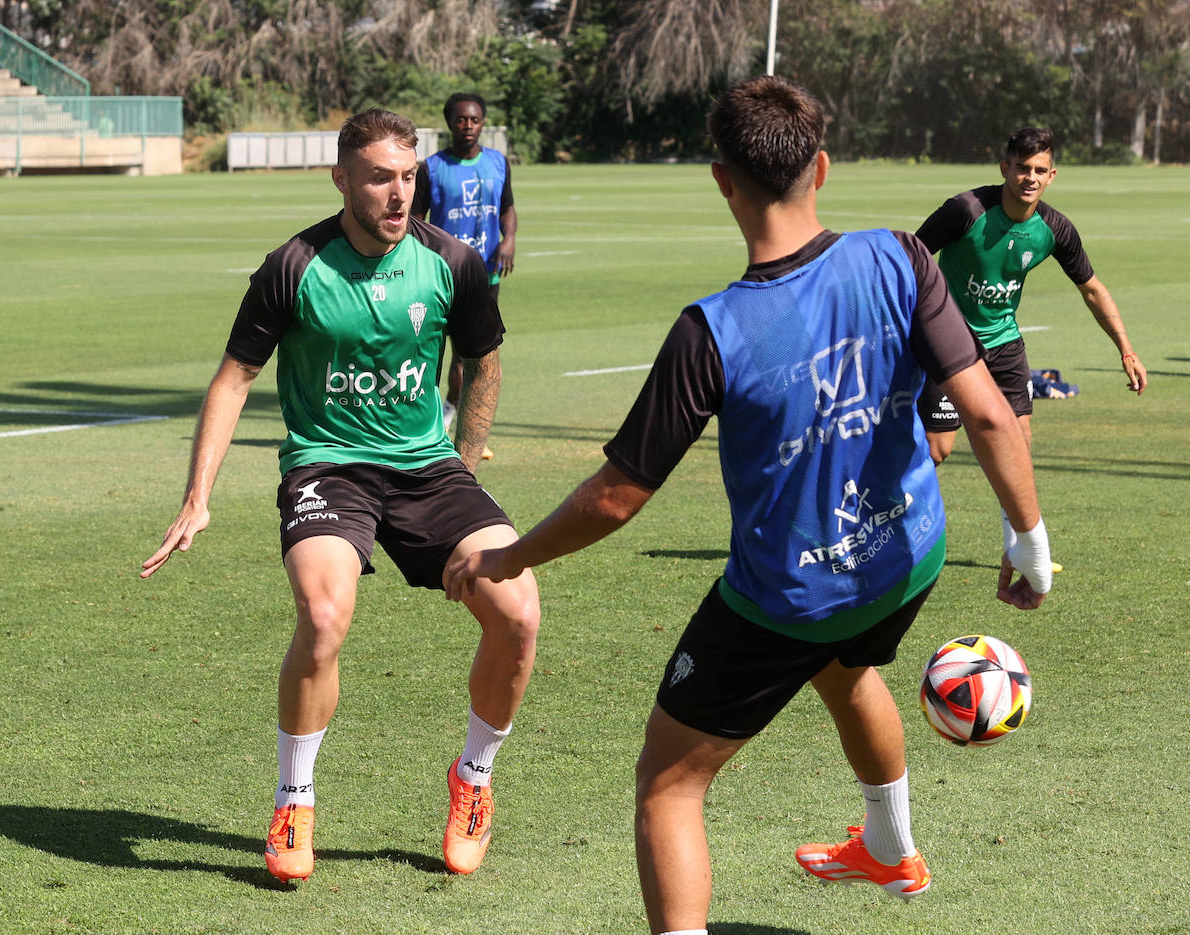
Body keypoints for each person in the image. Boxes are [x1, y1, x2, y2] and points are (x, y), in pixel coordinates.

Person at [445, 76, 1053, 934]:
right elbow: (989, 410)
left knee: (669, 781)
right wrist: (1029, 539)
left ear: (722, 179)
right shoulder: (901, 257)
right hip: (905, 555)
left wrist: (505, 557)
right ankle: (891, 845)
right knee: (848, 667)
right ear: (824, 168)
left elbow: (616, 498)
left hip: (789, 599)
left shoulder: (713, 330)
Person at [141, 108, 540, 884]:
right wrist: (198, 496)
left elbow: (483, 360)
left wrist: (464, 467)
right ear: (341, 180)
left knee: (519, 611)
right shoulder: (293, 266)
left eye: (408, 177)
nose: (399, 194)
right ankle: (295, 798)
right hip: (329, 466)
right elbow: (234, 379)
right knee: (323, 617)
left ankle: (475, 780)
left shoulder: (450, 261)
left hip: (429, 468)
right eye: (381, 178)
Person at [915, 126, 1147, 469]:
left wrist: (1126, 350)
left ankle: (1019, 527)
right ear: (1004, 168)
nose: (1030, 178)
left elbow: (1093, 290)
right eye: (1023, 168)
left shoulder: (1055, 229)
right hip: (950, 339)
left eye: (1039, 171)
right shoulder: (966, 210)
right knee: (937, 449)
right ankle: (893, 513)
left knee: (1018, 444)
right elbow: (910, 258)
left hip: (1004, 342)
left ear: (1051, 176)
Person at [411, 92, 518, 458]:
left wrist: (510, 240)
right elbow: (414, 220)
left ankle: (461, 427)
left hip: (485, 275)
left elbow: (508, 208)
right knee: (440, 354)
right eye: (460, 120)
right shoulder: (431, 168)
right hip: (442, 275)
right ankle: (439, 424)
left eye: (474, 120)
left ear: (483, 122)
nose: (467, 126)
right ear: (449, 123)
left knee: (476, 354)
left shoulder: (498, 163)